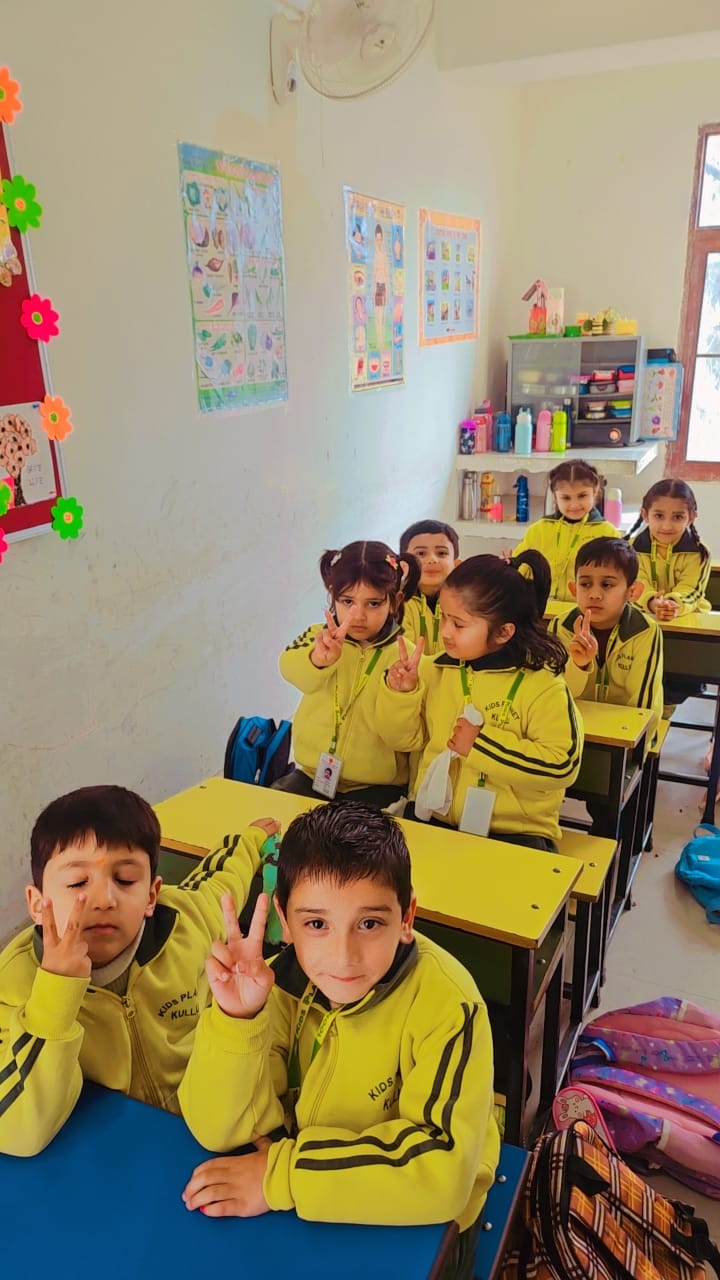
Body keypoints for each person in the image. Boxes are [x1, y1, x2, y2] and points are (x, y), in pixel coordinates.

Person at [179, 803, 499, 1279]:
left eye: (369, 923)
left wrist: (280, 1177)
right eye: (316, 924)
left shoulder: (448, 1004)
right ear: (285, 922)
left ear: (407, 915)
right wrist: (237, 1017)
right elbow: (218, 1130)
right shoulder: (277, 984)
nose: (343, 956)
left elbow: (443, 1172)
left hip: (424, 1223)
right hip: (311, 1193)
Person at [0, 784, 271, 1156]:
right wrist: (55, 995)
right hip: (113, 1155)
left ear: (151, 895)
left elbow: (225, 876)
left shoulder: (188, 921)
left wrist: (253, 837)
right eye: (78, 882)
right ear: (37, 903)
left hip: (208, 1128)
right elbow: (16, 1134)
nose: (104, 899)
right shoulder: (14, 985)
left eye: (125, 880)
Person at [379, 552, 584, 850]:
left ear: (503, 632)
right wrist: (402, 694)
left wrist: (479, 745)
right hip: (434, 817)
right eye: (444, 618)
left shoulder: (543, 685)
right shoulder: (434, 669)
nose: (445, 632)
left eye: (459, 625)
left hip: (515, 832)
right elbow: (402, 740)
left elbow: (562, 766)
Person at [275, 540, 421, 808]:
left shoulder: (406, 660)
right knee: (276, 821)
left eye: (373, 603)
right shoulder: (318, 637)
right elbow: (289, 668)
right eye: (347, 601)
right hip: (310, 775)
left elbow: (404, 737)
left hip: (376, 788)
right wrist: (317, 660)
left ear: (394, 601)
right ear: (333, 596)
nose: (358, 615)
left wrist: (400, 694)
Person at [548, 537, 663, 834]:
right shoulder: (559, 627)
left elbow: (643, 705)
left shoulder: (645, 632)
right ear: (573, 589)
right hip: (568, 733)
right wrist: (580, 665)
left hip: (621, 743)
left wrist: (636, 751)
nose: (595, 594)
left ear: (633, 592)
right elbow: (553, 694)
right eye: (586, 584)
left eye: (608, 585)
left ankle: (611, 849)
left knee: (612, 815)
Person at [512, 461, 619, 602]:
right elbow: (519, 569)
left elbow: (617, 580)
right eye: (566, 498)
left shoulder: (608, 534)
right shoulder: (539, 529)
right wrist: (509, 565)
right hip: (541, 611)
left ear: (595, 491)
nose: (574, 505)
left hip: (588, 611)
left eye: (582, 496)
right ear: (555, 497)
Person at [625, 479, 711, 619]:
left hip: (688, 617)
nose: (667, 526)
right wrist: (653, 603)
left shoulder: (699, 553)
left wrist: (671, 605)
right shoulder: (630, 549)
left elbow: (690, 589)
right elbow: (635, 585)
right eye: (659, 516)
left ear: (691, 518)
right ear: (645, 515)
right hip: (643, 615)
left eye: (677, 517)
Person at [400, 518, 461, 657]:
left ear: (457, 564)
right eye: (421, 553)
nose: (432, 559)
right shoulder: (399, 604)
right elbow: (405, 654)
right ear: (404, 564)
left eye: (441, 553)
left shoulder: (465, 604)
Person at [372, 223, 389, 348]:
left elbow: (387, 275)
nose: (379, 241)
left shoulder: (384, 256)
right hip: (377, 287)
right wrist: (373, 292)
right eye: (377, 239)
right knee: (377, 317)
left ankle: (382, 341)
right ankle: (378, 341)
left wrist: (387, 292)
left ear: (382, 240)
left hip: (383, 287)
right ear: (375, 240)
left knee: (382, 317)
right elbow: (373, 275)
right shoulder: (374, 256)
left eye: (380, 239)